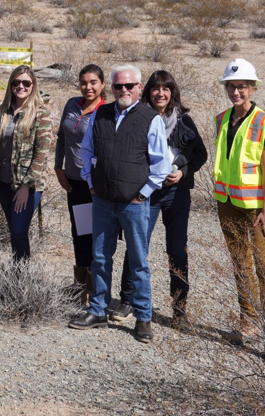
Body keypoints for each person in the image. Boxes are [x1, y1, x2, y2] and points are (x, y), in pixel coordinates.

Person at [68, 64, 171, 345]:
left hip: (134, 204)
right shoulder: (101, 113)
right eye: (118, 86)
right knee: (99, 257)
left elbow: (162, 165)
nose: (123, 90)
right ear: (110, 88)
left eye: (129, 86)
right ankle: (98, 310)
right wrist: (90, 182)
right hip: (101, 200)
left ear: (139, 87)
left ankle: (143, 318)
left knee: (138, 262)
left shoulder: (150, 119)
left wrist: (143, 194)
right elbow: (87, 150)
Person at [112, 70, 207, 324]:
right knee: (137, 244)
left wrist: (183, 171)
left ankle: (179, 308)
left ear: (172, 92)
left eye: (166, 89)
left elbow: (200, 154)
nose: (160, 93)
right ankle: (127, 300)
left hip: (177, 193)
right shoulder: (139, 118)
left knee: (177, 250)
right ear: (148, 92)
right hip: (147, 191)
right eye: (156, 89)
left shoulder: (185, 120)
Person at [212, 58, 265, 364]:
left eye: (242, 86)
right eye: (231, 86)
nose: (236, 91)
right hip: (227, 203)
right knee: (240, 264)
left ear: (253, 88)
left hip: (255, 208)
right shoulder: (221, 119)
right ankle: (248, 322)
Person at [0, 65, 54, 260]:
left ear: (33, 85)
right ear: (10, 85)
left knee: (19, 231)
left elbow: (41, 153)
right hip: (3, 182)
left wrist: (26, 186)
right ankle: (18, 272)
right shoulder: (3, 111)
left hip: (27, 185)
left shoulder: (40, 113)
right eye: (16, 82)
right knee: (14, 231)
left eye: (26, 83)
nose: (21, 86)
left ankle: (22, 276)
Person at [54, 64, 105, 304]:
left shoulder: (106, 110)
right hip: (72, 180)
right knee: (78, 233)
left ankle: (94, 290)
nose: (88, 87)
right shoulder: (72, 104)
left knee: (94, 235)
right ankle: (80, 287)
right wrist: (58, 167)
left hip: (92, 184)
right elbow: (61, 137)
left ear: (102, 85)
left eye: (93, 82)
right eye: (84, 82)